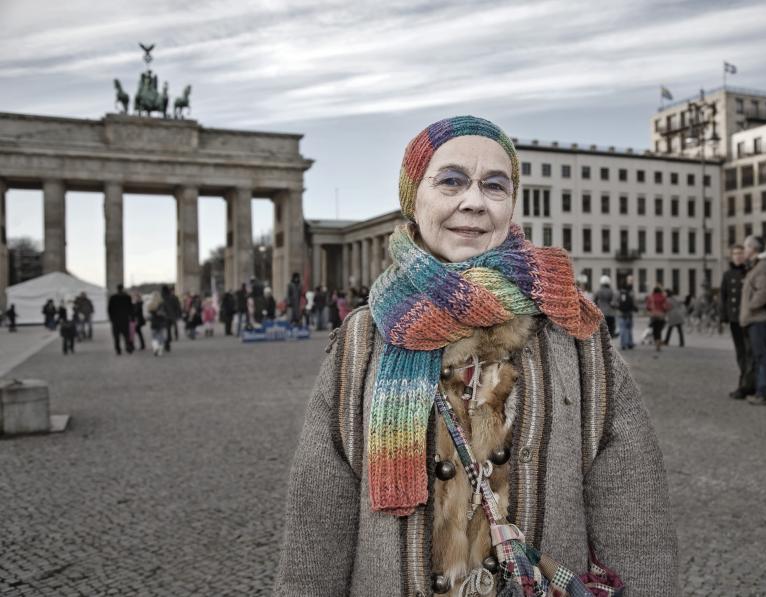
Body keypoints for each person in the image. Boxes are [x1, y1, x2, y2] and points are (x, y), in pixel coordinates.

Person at [274, 116, 677, 596]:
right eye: (450, 181)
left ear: (510, 203)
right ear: (413, 198)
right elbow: (319, 519)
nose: (474, 201)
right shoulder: (361, 339)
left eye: (495, 185)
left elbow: (635, 512)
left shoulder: (574, 329)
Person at [739, 235, 766, 405]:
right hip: (754, 318)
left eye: (746, 247)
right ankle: (763, 391)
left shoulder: (763, 266)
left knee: (763, 357)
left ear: (753, 249)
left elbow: (764, 292)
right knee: (760, 356)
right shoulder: (757, 266)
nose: (743, 250)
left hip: (759, 318)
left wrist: (750, 307)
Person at [719, 244, 755, 400]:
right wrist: (722, 318)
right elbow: (723, 296)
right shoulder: (727, 275)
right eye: (735, 254)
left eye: (740, 253)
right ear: (731, 256)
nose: (738, 256)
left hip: (748, 318)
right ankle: (745, 384)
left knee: (750, 352)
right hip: (734, 318)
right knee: (741, 353)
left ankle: (746, 386)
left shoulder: (750, 272)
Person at [107, 284, 134, 355]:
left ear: (117, 289)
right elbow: (131, 308)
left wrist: (111, 318)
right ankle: (128, 347)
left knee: (116, 336)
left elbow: (109, 309)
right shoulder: (127, 297)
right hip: (125, 319)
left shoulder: (113, 298)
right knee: (126, 335)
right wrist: (131, 318)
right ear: (123, 289)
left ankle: (118, 349)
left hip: (115, 320)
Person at [645, 285, 670, 351]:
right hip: (661, 316)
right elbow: (665, 307)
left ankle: (656, 344)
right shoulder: (663, 297)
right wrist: (664, 311)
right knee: (659, 330)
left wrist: (651, 310)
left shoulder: (651, 297)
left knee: (655, 330)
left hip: (653, 315)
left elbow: (648, 307)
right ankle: (658, 344)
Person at [616, 274, 637, 350]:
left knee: (622, 328)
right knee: (629, 328)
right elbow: (634, 302)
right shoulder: (632, 292)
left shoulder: (620, 292)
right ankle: (630, 343)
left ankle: (623, 344)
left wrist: (618, 307)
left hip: (621, 313)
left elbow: (616, 302)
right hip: (629, 313)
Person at [146, 291, 168, 356]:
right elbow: (166, 313)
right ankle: (160, 351)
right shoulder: (162, 304)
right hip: (161, 322)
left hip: (154, 322)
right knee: (161, 336)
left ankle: (155, 347)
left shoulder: (151, 304)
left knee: (154, 337)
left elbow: (149, 315)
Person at [161, 285, 179, 352]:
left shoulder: (163, 298)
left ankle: (167, 344)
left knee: (168, 331)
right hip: (172, 316)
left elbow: (162, 308)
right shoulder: (174, 297)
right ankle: (168, 343)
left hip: (166, 317)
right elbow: (177, 306)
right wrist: (177, 314)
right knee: (173, 328)